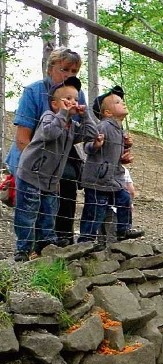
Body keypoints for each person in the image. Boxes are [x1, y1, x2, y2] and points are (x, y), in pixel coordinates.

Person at [4, 47, 87, 246]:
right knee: (33, 197)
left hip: (59, 153)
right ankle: (28, 246)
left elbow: (78, 134)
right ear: (50, 69)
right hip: (31, 153)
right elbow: (23, 138)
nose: (68, 75)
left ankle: (62, 239)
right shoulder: (33, 92)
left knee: (67, 177)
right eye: (64, 69)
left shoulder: (78, 94)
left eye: (74, 72)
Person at [13, 77, 97, 262]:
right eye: (67, 99)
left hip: (51, 179)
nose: (73, 103)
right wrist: (62, 115)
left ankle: (46, 245)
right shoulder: (48, 117)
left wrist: (85, 116)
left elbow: (90, 134)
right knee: (28, 213)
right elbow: (50, 132)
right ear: (54, 104)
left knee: (48, 213)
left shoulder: (72, 127)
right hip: (31, 173)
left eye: (76, 100)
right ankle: (23, 249)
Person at [77, 87, 130, 245]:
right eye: (118, 102)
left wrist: (124, 154)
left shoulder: (120, 130)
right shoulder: (103, 126)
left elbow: (113, 154)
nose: (123, 103)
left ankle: (123, 229)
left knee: (125, 198)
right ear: (107, 112)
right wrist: (95, 145)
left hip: (113, 180)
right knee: (95, 211)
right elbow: (86, 146)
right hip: (97, 180)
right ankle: (85, 240)